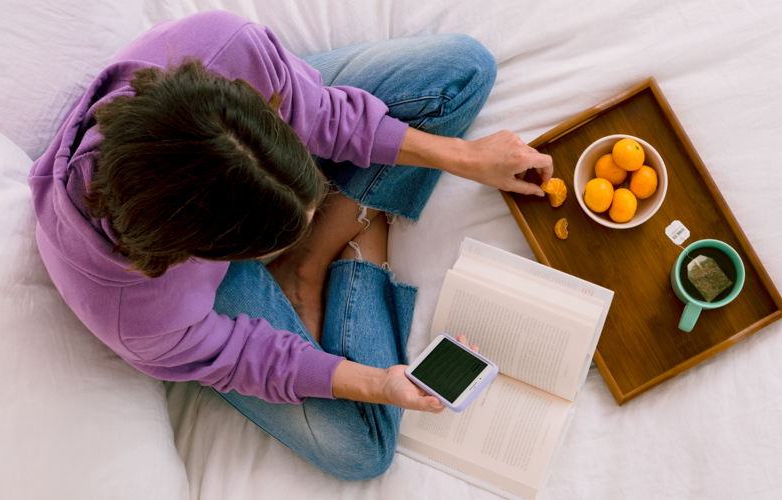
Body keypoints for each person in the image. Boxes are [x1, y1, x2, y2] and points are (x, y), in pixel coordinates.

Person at [28, 10, 553, 481]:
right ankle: (343, 241)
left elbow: (323, 116)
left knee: (464, 68)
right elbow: (239, 357)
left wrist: (463, 157)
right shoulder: (136, 310)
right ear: (207, 253)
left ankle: (314, 256)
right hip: (182, 281)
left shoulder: (223, 46)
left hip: (216, 175)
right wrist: (378, 384)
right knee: (361, 446)